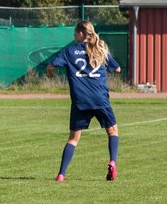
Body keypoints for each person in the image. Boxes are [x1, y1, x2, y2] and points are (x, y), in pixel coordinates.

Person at [47, 20, 122, 182]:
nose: (74, 35)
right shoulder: (100, 49)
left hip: (80, 101)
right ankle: (112, 161)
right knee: (113, 131)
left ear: (81, 34)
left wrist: (50, 73)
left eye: (75, 33)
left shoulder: (69, 51)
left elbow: (52, 65)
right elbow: (117, 69)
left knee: (73, 139)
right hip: (100, 99)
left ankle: (61, 174)